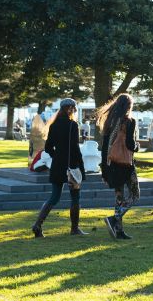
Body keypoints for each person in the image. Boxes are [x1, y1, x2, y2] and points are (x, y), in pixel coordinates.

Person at [31, 98, 87, 238]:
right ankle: (74, 229)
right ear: (71, 109)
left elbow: (48, 148)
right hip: (72, 166)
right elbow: (75, 149)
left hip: (57, 165)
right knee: (75, 197)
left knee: (54, 197)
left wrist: (58, 156)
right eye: (74, 108)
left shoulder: (54, 125)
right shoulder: (72, 125)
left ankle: (37, 225)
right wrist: (81, 168)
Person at [98, 93, 140, 240]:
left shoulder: (109, 122)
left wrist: (104, 170)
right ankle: (115, 219)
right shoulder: (129, 121)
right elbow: (130, 144)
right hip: (126, 164)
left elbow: (104, 148)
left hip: (111, 164)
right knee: (135, 195)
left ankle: (119, 230)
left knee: (119, 197)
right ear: (128, 106)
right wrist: (137, 147)